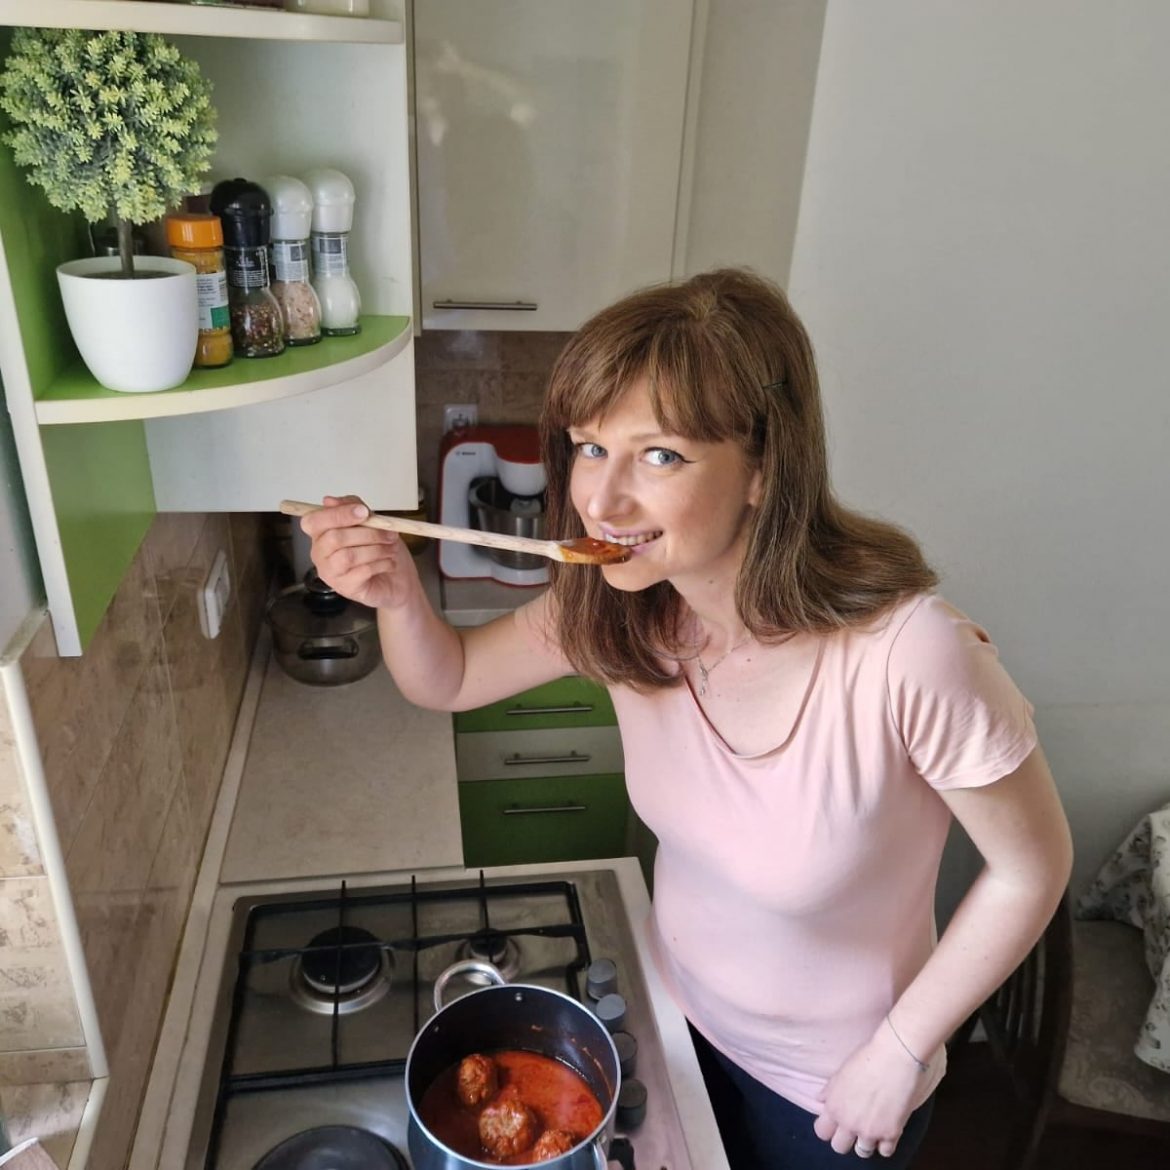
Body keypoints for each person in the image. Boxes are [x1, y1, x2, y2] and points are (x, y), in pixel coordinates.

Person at [301, 268, 1073, 1168]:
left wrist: (901, 1052)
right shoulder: (623, 607)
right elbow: (453, 677)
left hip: (834, 1089)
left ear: (764, 469)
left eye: (660, 455)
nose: (602, 499)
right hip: (677, 1026)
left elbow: (1032, 868)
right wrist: (395, 594)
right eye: (591, 447)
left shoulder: (912, 654)